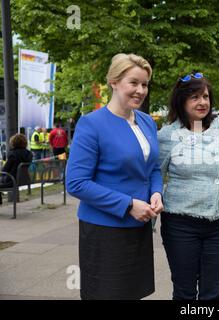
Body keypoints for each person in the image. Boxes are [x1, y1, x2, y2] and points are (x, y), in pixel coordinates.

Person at [66, 53, 164, 300]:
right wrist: (129, 204)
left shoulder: (146, 122)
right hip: (105, 230)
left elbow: (152, 167)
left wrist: (156, 192)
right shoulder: (91, 124)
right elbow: (76, 183)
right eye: (134, 82)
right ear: (114, 82)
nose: (140, 90)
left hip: (140, 227)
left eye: (144, 84)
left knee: (132, 293)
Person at [158, 72, 219, 300]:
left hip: (216, 225)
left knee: (213, 293)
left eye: (205, 96)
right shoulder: (167, 135)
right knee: (185, 292)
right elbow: (155, 178)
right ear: (181, 101)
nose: (202, 102)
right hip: (180, 224)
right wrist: (150, 219)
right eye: (194, 97)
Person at [0, 133, 33, 204]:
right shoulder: (29, 154)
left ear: (13, 143)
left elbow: (4, 170)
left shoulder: (12, 154)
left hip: (12, 180)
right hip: (24, 179)